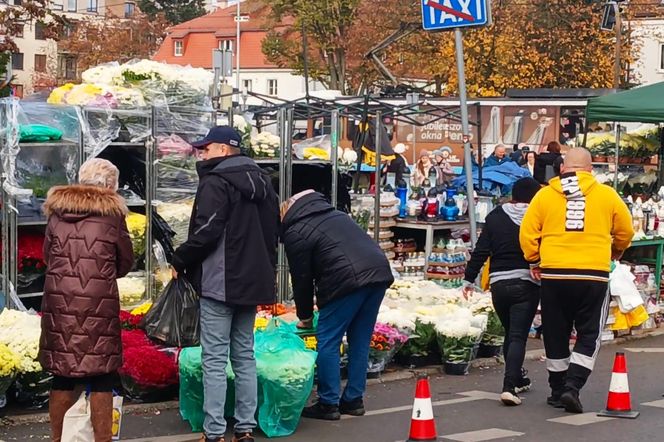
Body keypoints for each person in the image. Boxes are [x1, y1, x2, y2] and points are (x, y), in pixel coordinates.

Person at [170, 126, 279, 442]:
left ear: (222, 149)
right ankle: (245, 428)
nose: (202, 154)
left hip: (221, 281)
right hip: (253, 282)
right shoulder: (263, 182)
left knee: (214, 359)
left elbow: (206, 231)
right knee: (244, 355)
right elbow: (274, 232)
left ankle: (214, 431)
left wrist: (181, 259)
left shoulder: (216, 182)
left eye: (206, 148)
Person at [520, 148, 634, 414]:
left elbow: (527, 232)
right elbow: (625, 230)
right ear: (591, 169)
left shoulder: (545, 194)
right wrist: (616, 249)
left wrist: (534, 259)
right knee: (589, 333)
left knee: (555, 331)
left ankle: (557, 389)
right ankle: (572, 386)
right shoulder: (606, 194)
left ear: (562, 168)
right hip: (592, 273)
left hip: (554, 273)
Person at [40, 158, 134, 442]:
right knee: (102, 373)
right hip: (98, 303)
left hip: (60, 303)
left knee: (62, 373)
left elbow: (48, 256)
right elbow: (125, 261)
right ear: (110, 185)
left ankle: (58, 437)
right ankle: (101, 439)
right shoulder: (112, 216)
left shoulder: (57, 213)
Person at [281, 190, 394, 421]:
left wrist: (304, 316)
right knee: (360, 341)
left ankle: (328, 402)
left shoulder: (296, 230)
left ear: (288, 210)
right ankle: (354, 399)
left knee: (328, 341)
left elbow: (301, 278)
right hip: (378, 274)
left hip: (346, 282)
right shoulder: (337, 216)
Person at [463, 178, 542, 407]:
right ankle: (509, 386)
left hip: (498, 284)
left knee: (510, 332)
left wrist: (468, 279)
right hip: (526, 282)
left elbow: (481, 250)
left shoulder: (495, 216)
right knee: (518, 335)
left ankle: (517, 377)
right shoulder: (538, 216)